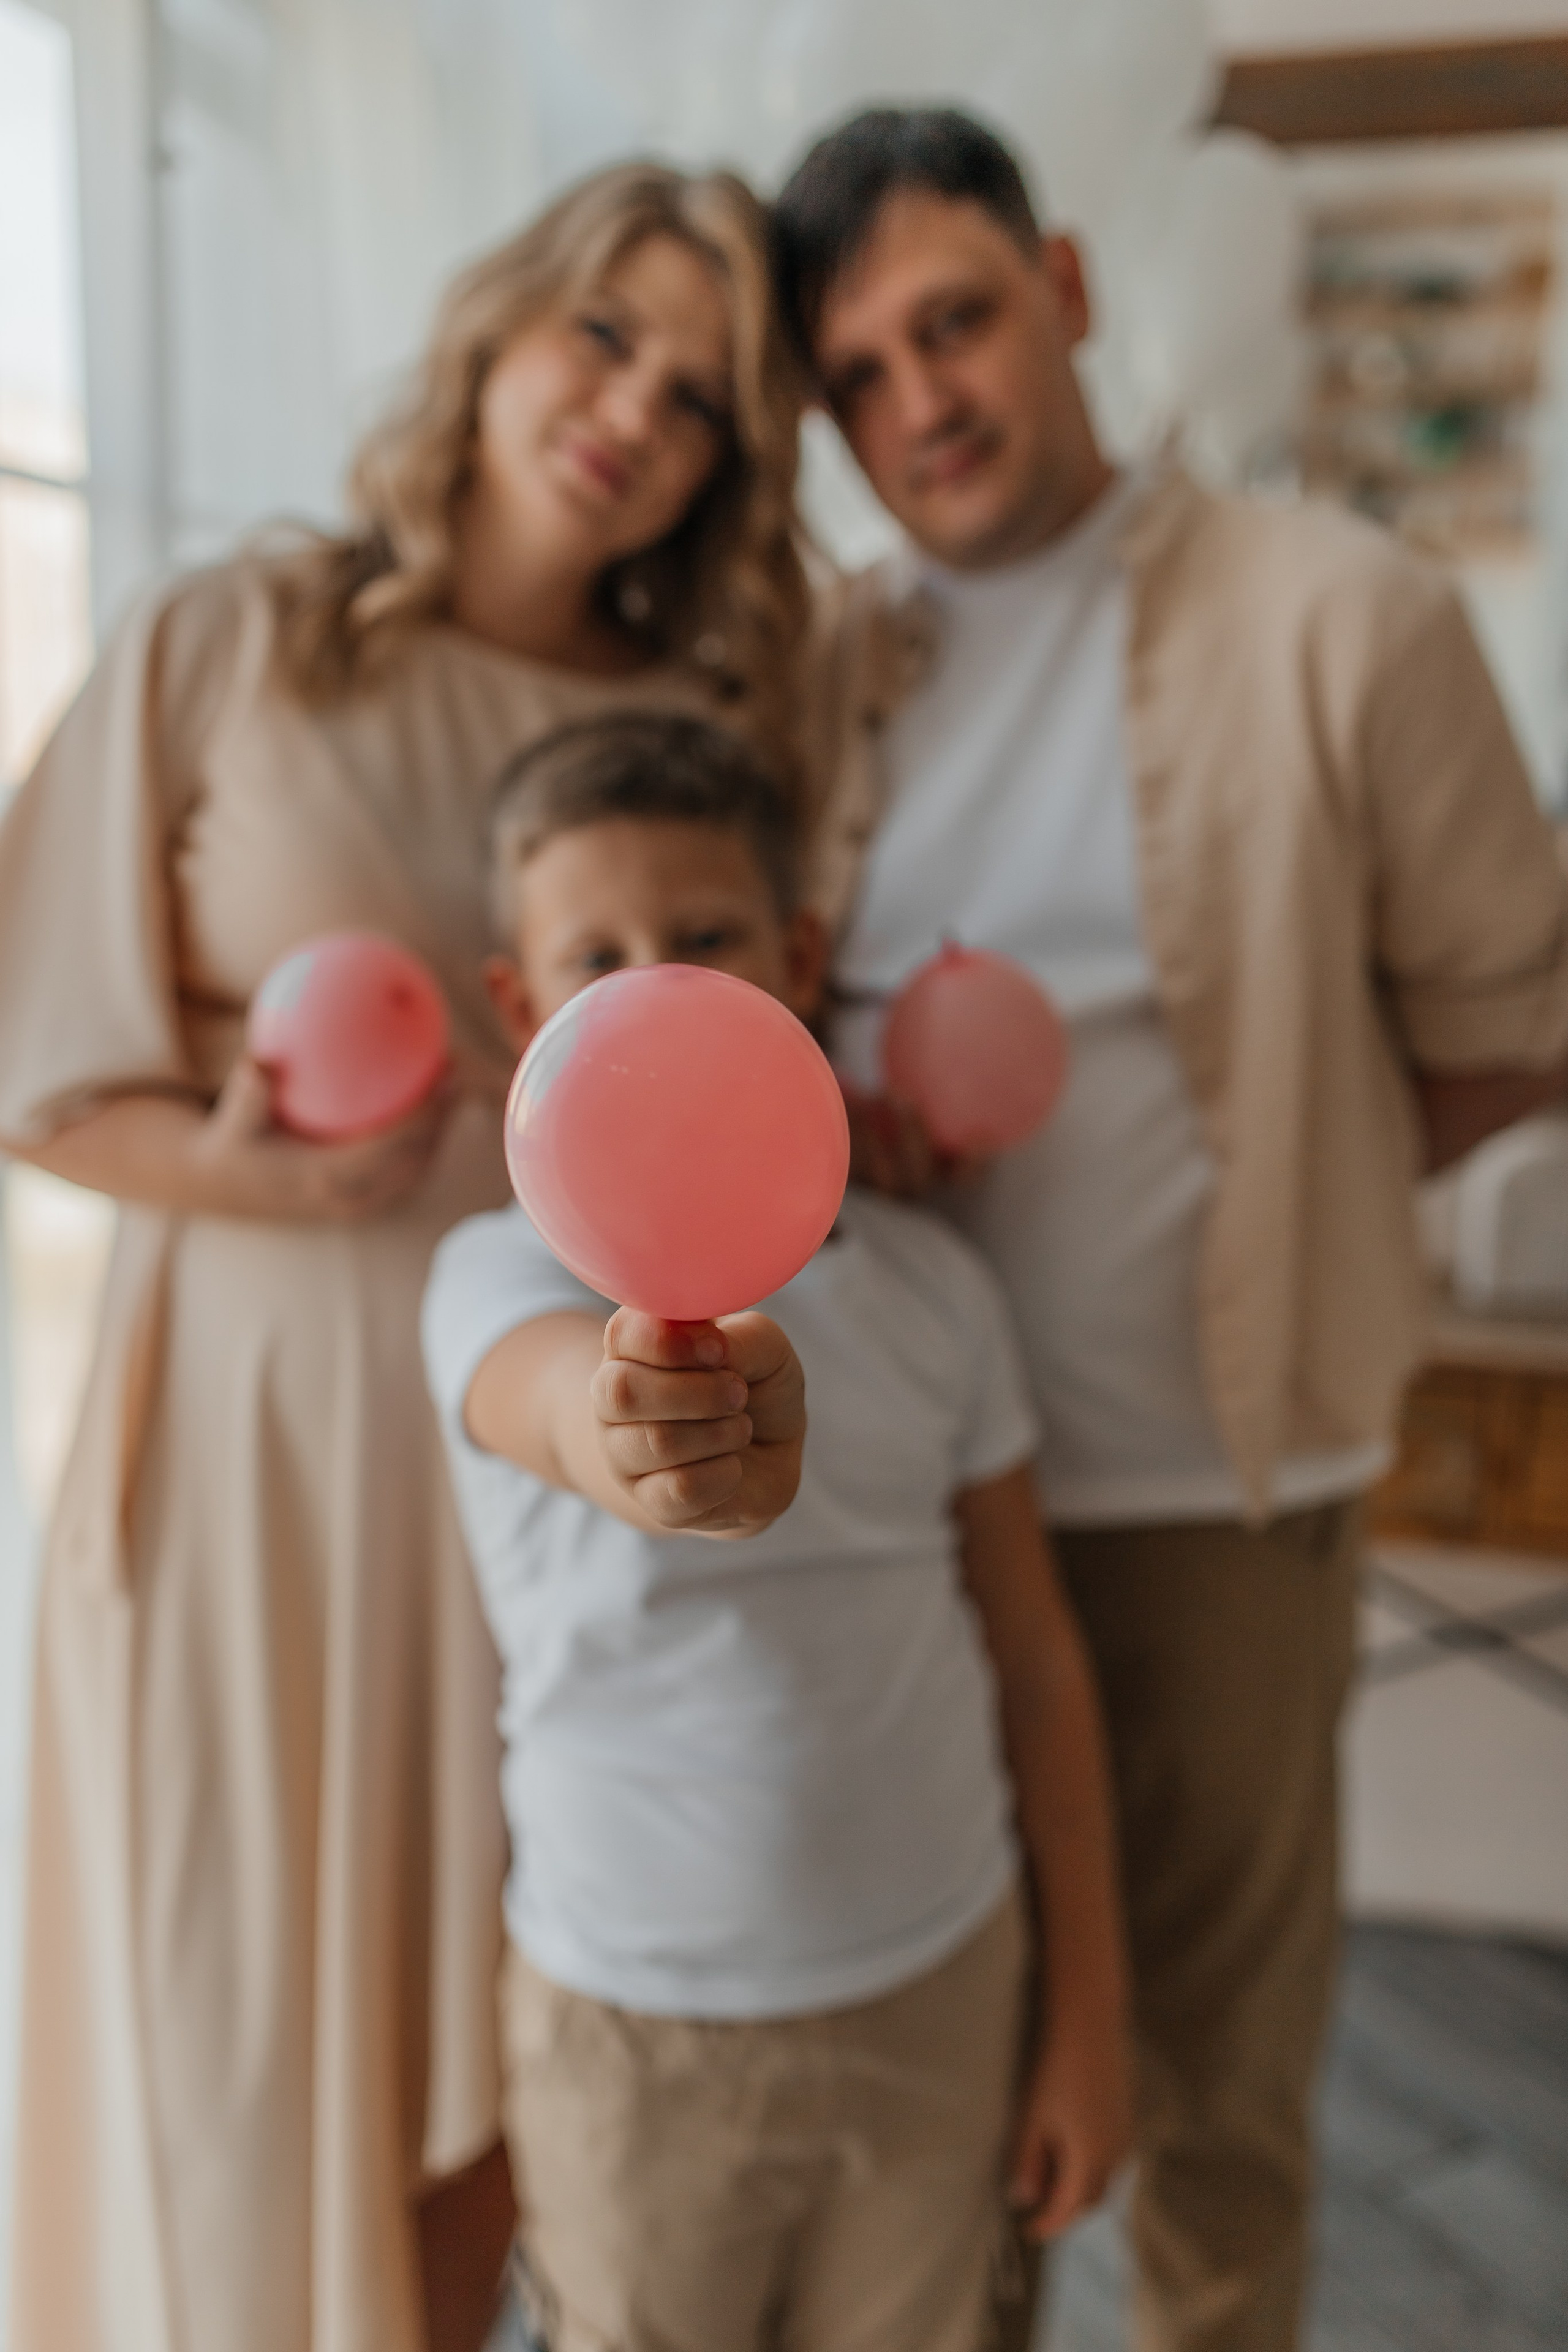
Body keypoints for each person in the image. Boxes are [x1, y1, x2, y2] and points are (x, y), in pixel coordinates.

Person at [772, 107, 1568, 2352]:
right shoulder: (820, 672)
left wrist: (1292, 1184)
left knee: (1220, 2095)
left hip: (1220, 1484)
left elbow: (1517, 1023)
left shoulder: (1350, 617)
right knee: (956, 2103)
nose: (924, 396)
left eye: (959, 321)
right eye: (862, 373)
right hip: (908, 1505)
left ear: (1071, 294)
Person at [0, 162, 812, 2352]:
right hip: (258, 1469)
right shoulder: (232, 638)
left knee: (495, 2069)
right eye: (608, 335)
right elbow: (31, 1057)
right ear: (502, 331)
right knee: (241, 2054)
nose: (636, 409)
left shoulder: (707, 749)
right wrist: (278, 1178)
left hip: (547, 1482)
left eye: (706, 396)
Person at [419, 709, 1133, 2352]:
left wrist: (1084, 2013)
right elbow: (563, 1411)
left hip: (940, 1988)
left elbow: (1032, 1649)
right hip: (636, 2030)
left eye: (708, 939)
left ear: (801, 961)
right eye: (595, 956)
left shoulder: (938, 1292)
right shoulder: (490, 1284)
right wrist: (653, 1437)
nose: (656, 982)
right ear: (520, 1010)